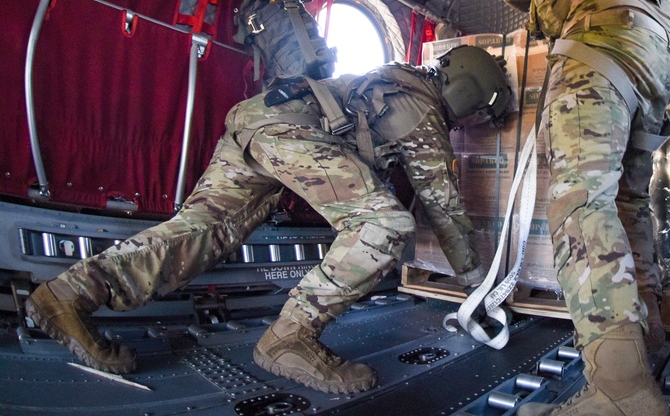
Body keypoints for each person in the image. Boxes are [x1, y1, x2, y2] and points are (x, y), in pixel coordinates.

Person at [24, 44, 511, 395]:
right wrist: (477, 283)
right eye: (476, 116)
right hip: (287, 134)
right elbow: (443, 206)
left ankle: (67, 296)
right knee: (384, 224)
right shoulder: (424, 111)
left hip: (255, 124)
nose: (467, 125)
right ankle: (290, 338)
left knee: (205, 231)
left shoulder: (395, 77)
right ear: (468, 95)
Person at [496, 0, 670, 416]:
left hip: (598, 49)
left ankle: (620, 391)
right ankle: (646, 337)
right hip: (659, 64)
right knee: (629, 204)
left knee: (582, 202)